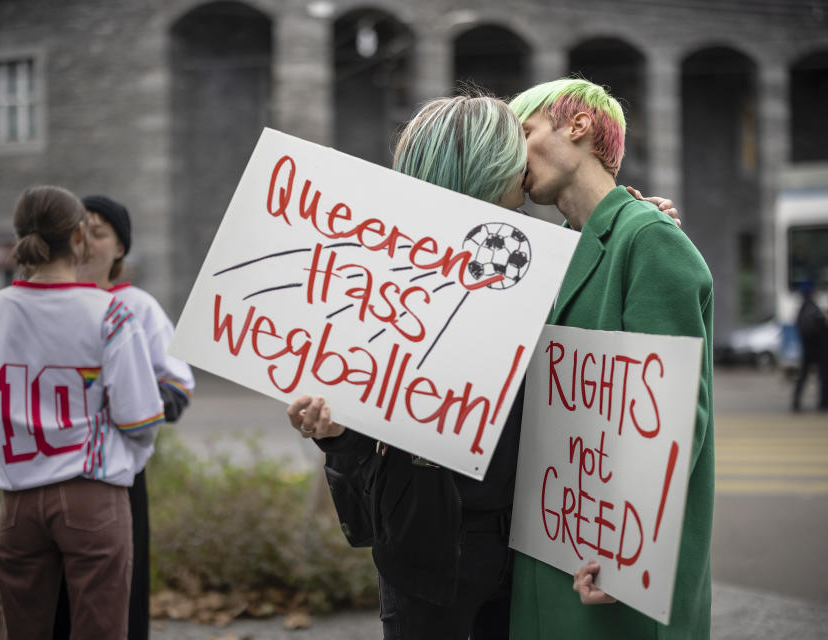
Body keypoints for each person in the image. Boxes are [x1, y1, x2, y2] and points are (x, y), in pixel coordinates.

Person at [286, 94, 681, 640]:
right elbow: (363, 436)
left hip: (527, 552)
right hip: (425, 555)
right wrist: (334, 432)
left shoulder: (539, 256)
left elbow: (600, 391)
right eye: (513, 149)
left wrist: (630, 224)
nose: (526, 163)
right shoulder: (383, 265)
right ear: (481, 163)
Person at [507, 78, 714, 639]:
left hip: (611, 567)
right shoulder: (562, 250)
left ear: (577, 127)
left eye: (524, 133)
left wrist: (625, 550)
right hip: (559, 552)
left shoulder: (648, 238)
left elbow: (670, 421)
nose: (513, 156)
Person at [0, 185, 164, 639]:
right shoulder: (110, 313)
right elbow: (142, 421)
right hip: (90, 496)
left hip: (16, 504)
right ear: (78, 237)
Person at [51, 194, 195, 640]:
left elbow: (177, 388)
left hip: (118, 478)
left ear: (119, 248)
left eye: (99, 233)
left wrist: (126, 398)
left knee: (117, 600)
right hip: (48, 473)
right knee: (52, 600)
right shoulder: (45, 305)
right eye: (79, 232)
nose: (86, 242)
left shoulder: (138, 307)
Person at [791, 280, 828, 411]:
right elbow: (819, 327)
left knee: (803, 377)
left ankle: (796, 402)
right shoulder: (813, 308)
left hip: (807, 348)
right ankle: (823, 403)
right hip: (816, 348)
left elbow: (799, 327)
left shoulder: (803, 308)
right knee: (821, 376)